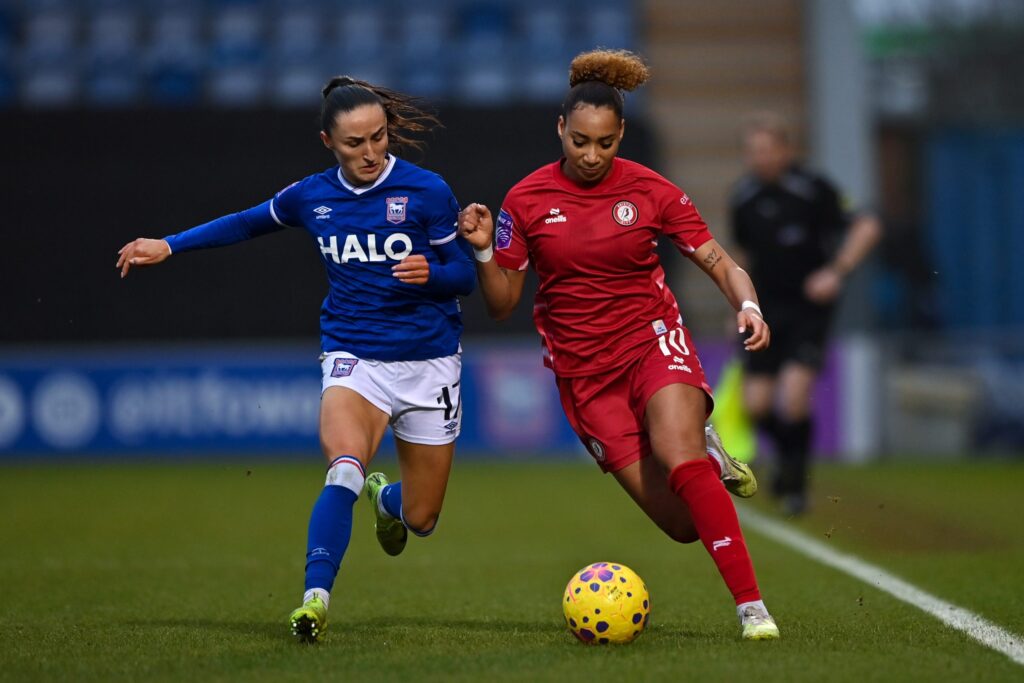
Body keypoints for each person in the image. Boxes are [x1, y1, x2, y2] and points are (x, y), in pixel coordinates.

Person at [116, 76, 475, 643]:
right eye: (354, 142)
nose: (370, 152)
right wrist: (170, 244)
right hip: (354, 357)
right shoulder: (312, 197)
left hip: (430, 364)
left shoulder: (427, 192)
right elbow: (245, 222)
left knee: (422, 518)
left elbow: (465, 277)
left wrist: (434, 275)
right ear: (327, 142)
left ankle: (386, 498)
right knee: (342, 467)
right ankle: (315, 601)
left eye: (378, 137)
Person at [458, 49, 780, 640]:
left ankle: (751, 608)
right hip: (585, 376)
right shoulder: (525, 201)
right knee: (684, 525)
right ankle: (706, 459)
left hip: (651, 341)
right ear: (560, 129)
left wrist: (749, 306)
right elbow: (502, 303)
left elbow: (718, 260)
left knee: (680, 456)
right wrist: (482, 249)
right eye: (580, 140)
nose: (590, 155)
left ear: (621, 134)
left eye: (605, 143)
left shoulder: (652, 191)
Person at [730, 112, 882, 516]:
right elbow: (742, 256)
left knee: (794, 400)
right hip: (765, 312)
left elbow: (867, 226)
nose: (759, 158)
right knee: (757, 405)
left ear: (785, 150)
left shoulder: (814, 189)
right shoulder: (743, 196)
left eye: (766, 150)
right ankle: (786, 459)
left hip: (808, 310)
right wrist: (741, 303)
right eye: (752, 151)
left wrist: (836, 271)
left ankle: (795, 485)